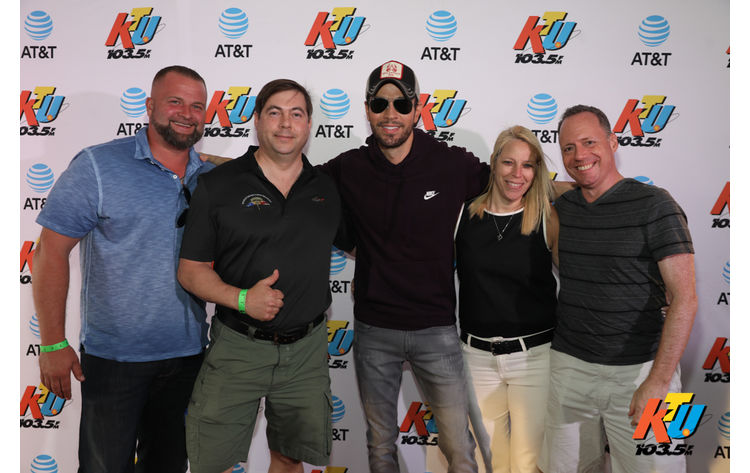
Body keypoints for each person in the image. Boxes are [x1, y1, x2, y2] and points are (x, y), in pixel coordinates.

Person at [33, 65, 212, 473]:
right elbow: (49, 253)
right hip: (114, 361)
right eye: (175, 102)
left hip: (187, 357)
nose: (187, 114)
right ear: (149, 106)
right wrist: (53, 342)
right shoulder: (98, 166)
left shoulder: (211, 177)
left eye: (197, 106)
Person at [320, 60, 488, 473]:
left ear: (418, 109)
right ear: (367, 110)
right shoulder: (349, 167)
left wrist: (588, 190)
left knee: (459, 445)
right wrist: (211, 162)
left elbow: (514, 183)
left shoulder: (450, 162)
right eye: (379, 103)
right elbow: (286, 176)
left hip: (437, 328)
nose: (390, 113)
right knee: (380, 445)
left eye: (401, 103)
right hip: (375, 330)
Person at [177, 79, 342, 473]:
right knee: (212, 463)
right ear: (257, 120)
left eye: (296, 114)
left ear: (309, 124)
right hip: (238, 347)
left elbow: (365, 241)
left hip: (306, 353)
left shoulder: (328, 188)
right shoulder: (218, 185)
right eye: (275, 112)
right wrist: (242, 299)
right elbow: (190, 271)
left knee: (289, 458)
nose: (285, 123)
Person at [537, 105, 697, 473]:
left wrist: (659, 381)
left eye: (589, 142)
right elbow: (525, 181)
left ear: (613, 142)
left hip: (645, 371)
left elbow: (685, 299)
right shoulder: (565, 206)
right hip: (569, 369)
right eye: (568, 148)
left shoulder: (657, 204)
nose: (579, 155)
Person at [455, 125, 558, 473]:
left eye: (528, 165)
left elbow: (580, 278)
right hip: (476, 358)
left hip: (535, 359)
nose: (517, 174)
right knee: (486, 461)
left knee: (529, 464)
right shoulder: (464, 215)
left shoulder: (547, 216)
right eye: (509, 162)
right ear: (494, 162)